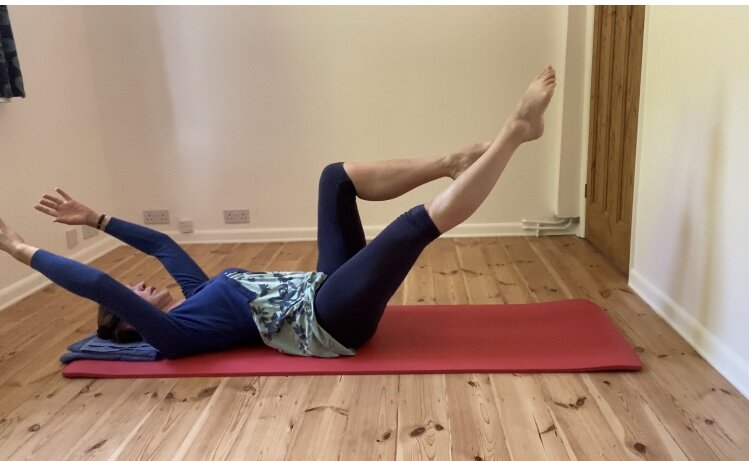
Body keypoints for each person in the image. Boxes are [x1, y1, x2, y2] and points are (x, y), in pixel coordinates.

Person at [0, 66, 556, 359]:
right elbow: (99, 283)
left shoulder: (198, 299)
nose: (140, 285)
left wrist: (96, 219)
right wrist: (18, 249)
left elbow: (163, 248)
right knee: (412, 228)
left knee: (333, 179)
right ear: (128, 323)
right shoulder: (174, 334)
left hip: (323, 286)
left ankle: (450, 161)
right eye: (136, 296)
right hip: (331, 321)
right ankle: (515, 132)